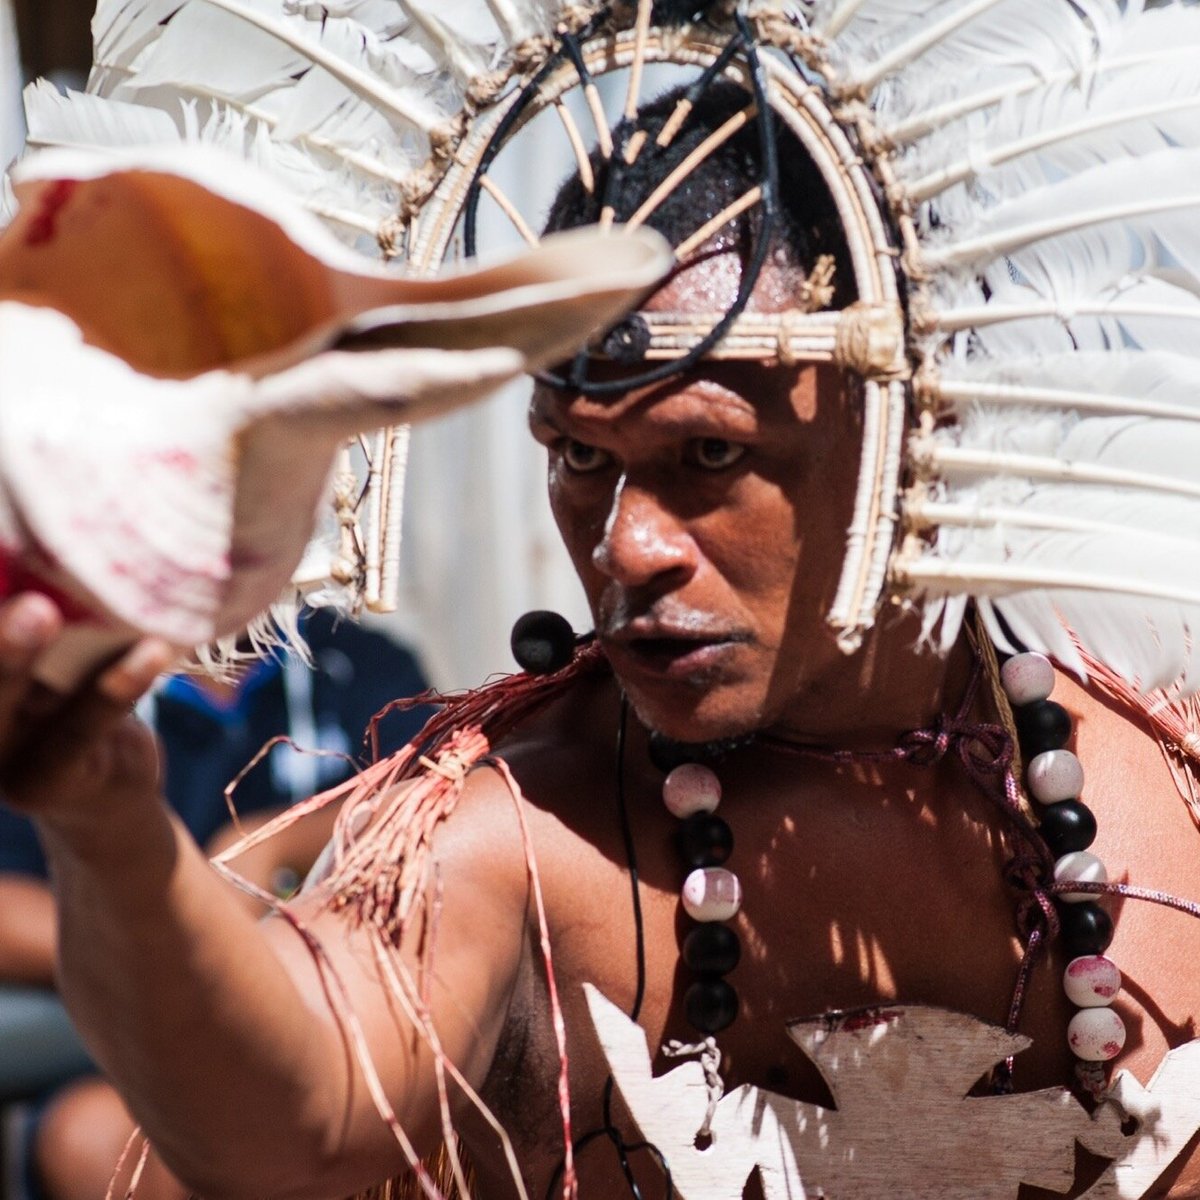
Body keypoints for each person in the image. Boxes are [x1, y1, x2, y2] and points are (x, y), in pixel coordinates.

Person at [6, 2, 1200, 1198]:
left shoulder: (1161, 782)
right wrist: (108, 825)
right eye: (578, 458)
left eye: (710, 457)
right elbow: (289, 1118)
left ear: (907, 432)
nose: (627, 547)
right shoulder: (520, 838)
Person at [0, 608, 434, 1200]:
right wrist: (171, 933)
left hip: (335, 1028)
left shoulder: (360, 665)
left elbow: (435, 791)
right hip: (124, 1052)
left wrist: (277, 841)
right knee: (93, 1140)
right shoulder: (67, 687)